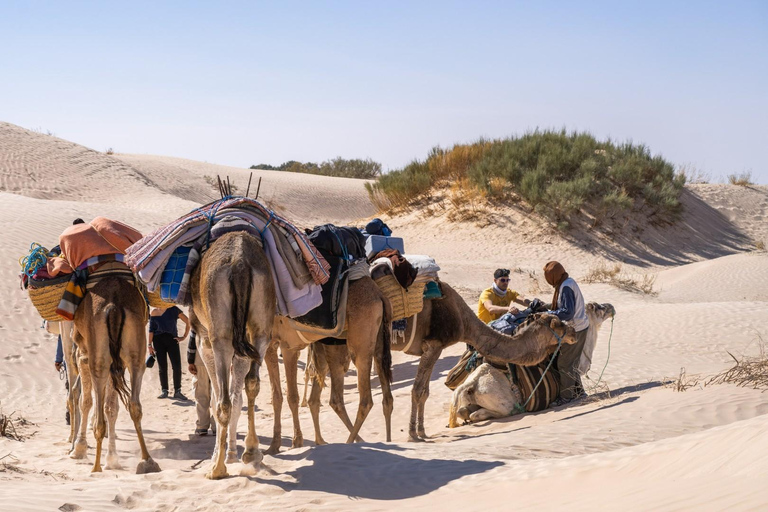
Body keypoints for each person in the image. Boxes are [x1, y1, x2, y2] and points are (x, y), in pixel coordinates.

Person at [543, 261, 590, 405]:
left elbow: (568, 313)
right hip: (580, 326)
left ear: (553, 276)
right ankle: (579, 392)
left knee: (564, 363)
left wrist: (548, 314)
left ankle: (567, 397)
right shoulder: (567, 282)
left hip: (575, 329)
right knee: (572, 361)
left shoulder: (565, 287)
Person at [148, 306, 191, 400]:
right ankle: (164, 390)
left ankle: (178, 391)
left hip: (172, 339)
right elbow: (151, 330)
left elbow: (188, 321)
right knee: (162, 367)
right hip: (158, 341)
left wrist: (183, 337)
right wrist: (149, 345)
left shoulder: (173, 309)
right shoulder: (153, 312)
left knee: (176, 366)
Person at [187, 330, 215, 436]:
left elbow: (192, 337)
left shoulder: (199, 315)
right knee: (217, 393)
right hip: (220, 359)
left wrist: (190, 360)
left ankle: (202, 425)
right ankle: (217, 425)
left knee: (201, 392)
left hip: (201, 358)